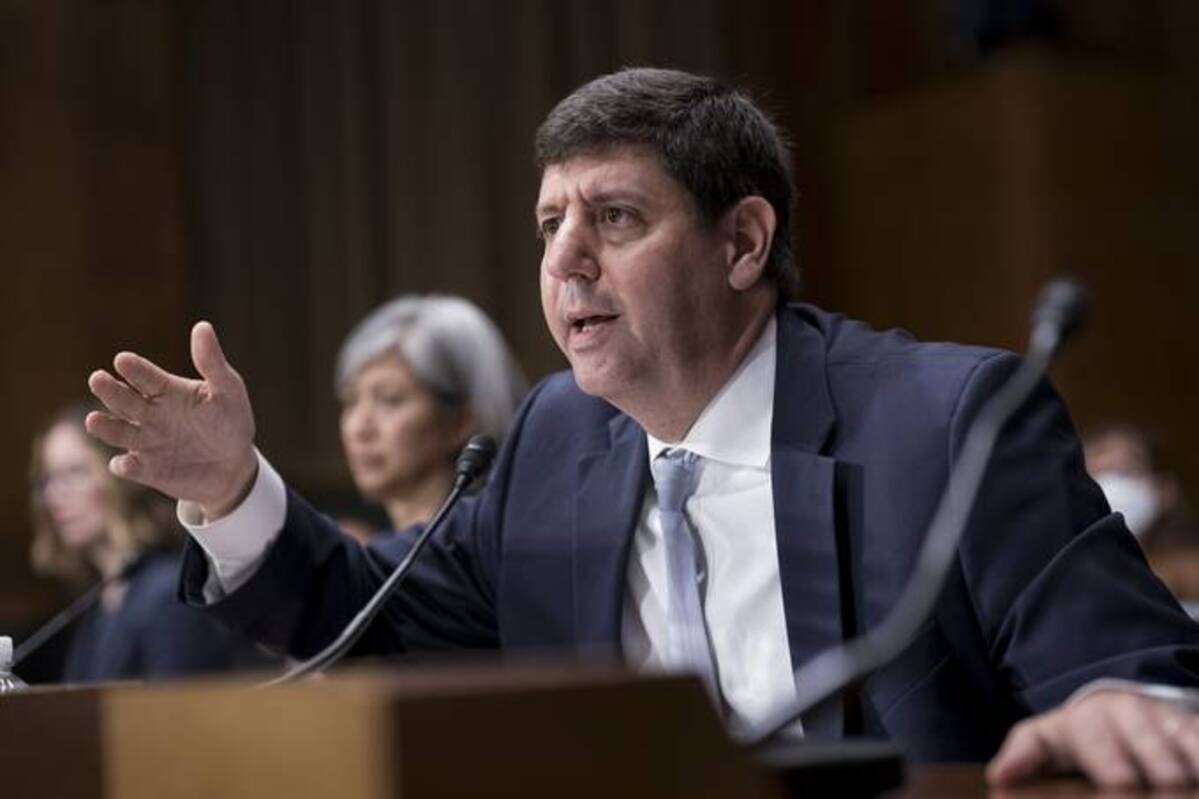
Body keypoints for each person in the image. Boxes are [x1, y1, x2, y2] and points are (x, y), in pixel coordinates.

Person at [85, 68, 1199, 789]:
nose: (563, 259)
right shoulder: (555, 440)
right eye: (547, 222)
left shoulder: (943, 420)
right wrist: (231, 489)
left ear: (742, 242)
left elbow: (1126, 665)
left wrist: (1117, 703)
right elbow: (371, 625)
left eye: (613, 217)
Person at [28, 403, 269, 682]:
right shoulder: (102, 601)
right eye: (47, 480)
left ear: (122, 474)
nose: (54, 497)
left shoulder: (168, 593)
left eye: (74, 473)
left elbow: (178, 715)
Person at [335, 294, 527, 534]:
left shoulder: (489, 552)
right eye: (350, 401)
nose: (359, 428)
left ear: (460, 421)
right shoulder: (361, 550)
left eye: (390, 400)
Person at [1084, 423, 1199, 600]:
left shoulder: (1188, 571)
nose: (1118, 464)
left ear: (1165, 493)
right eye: (1105, 471)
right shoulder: (1045, 563)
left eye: (1132, 465)